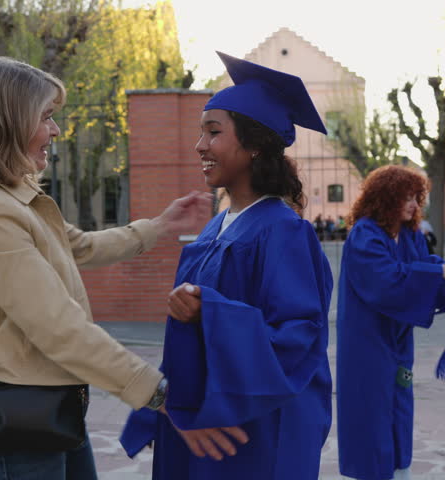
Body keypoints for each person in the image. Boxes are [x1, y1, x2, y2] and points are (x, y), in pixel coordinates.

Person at [0, 56, 212, 480]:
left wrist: (162, 225)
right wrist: (154, 389)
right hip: (14, 429)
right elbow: (57, 326)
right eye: (46, 118)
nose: (55, 131)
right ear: (8, 122)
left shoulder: (15, 199)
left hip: (50, 413)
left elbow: (79, 246)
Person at [121, 51, 334, 479]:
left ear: (254, 145)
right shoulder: (216, 228)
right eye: (201, 134)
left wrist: (210, 310)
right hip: (204, 419)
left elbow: (297, 339)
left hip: (252, 432)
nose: (200, 145)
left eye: (213, 132)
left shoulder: (283, 232)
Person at [336, 165, 445, 480]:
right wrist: (435, 273)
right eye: (406, 198)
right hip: (367, 339)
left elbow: (422, 265)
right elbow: (382, 279)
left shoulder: (410, 233)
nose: (414, 205)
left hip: (398, 337)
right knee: (370, 407)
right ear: (384, 198)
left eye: (417, 197)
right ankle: (371, 473)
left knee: (399, 401)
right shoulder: (365, 233)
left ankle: (400, 469)